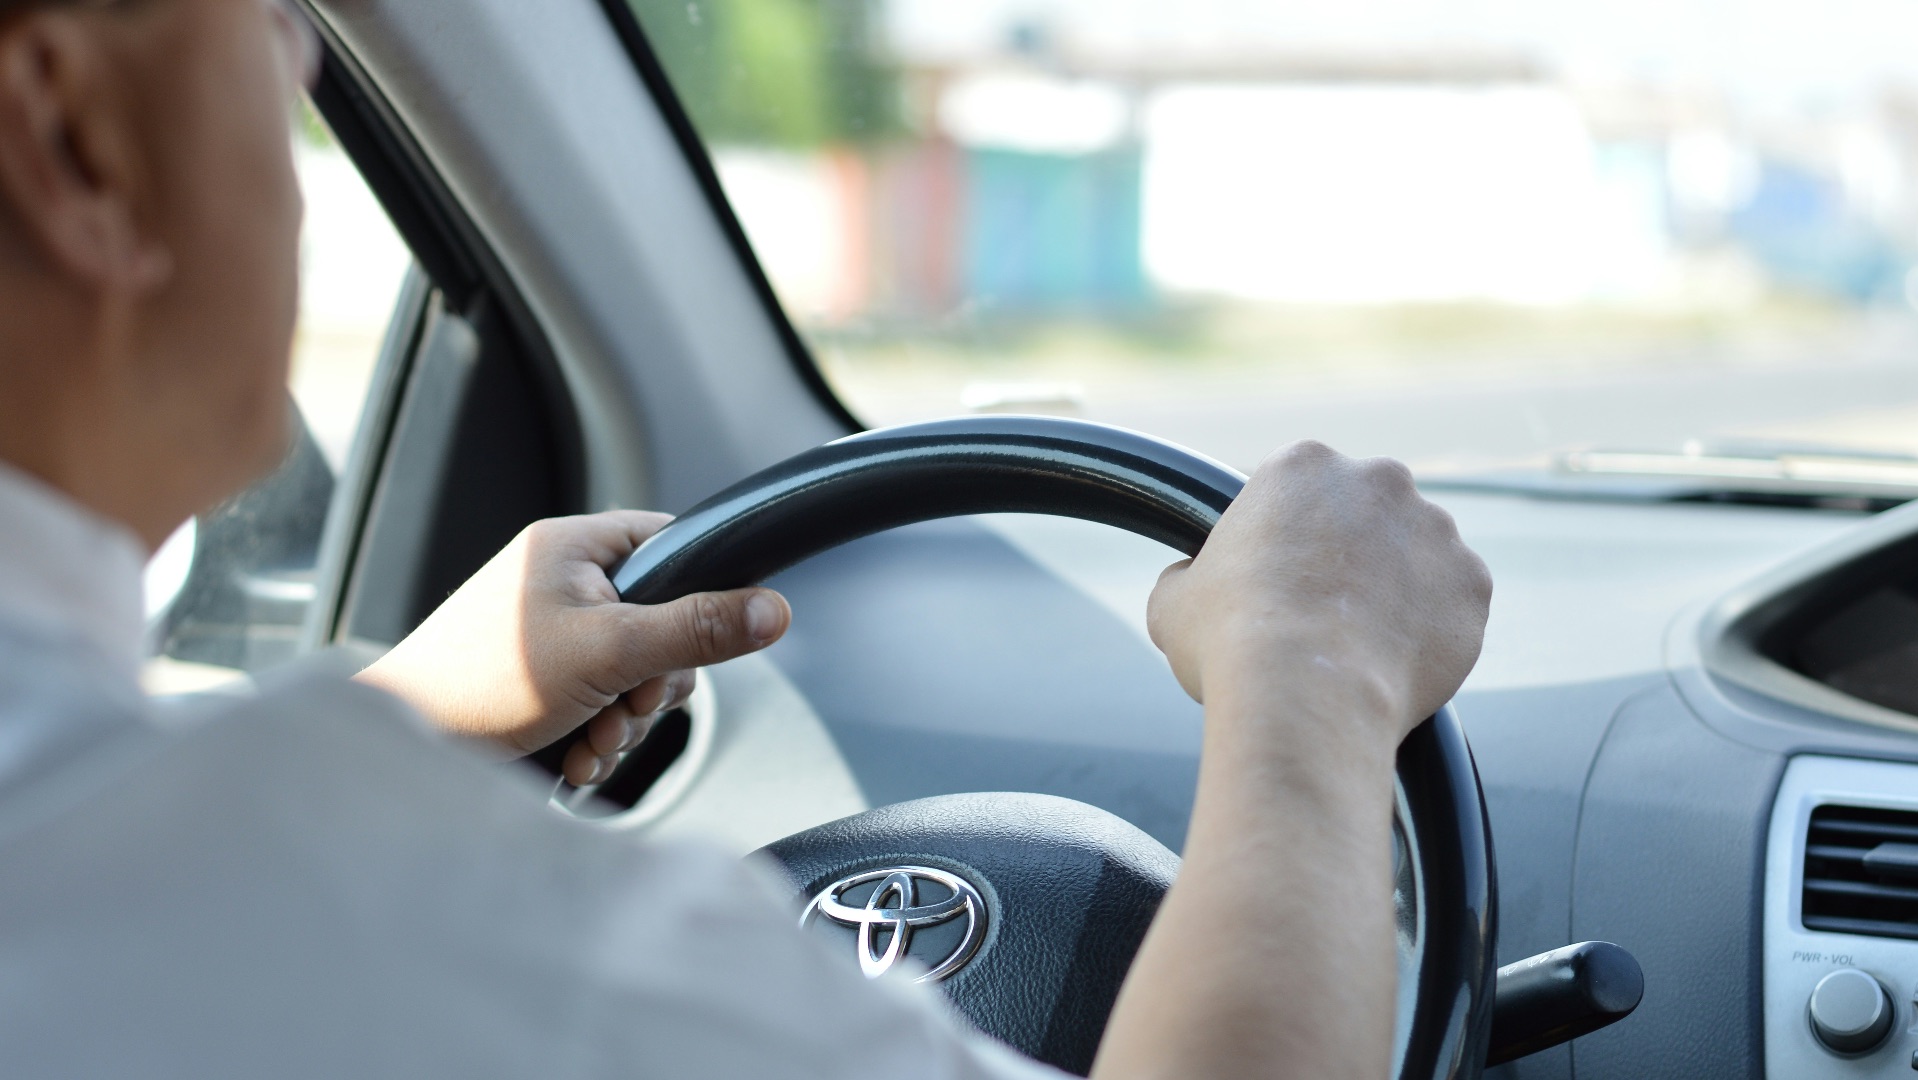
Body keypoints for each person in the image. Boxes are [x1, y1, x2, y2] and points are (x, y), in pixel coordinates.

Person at [0, 0, 1494, 1077]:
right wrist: (1315, 684)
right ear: (68, 137)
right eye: (261, 15)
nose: (307, 52)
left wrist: (399, 722)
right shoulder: (376, 894)